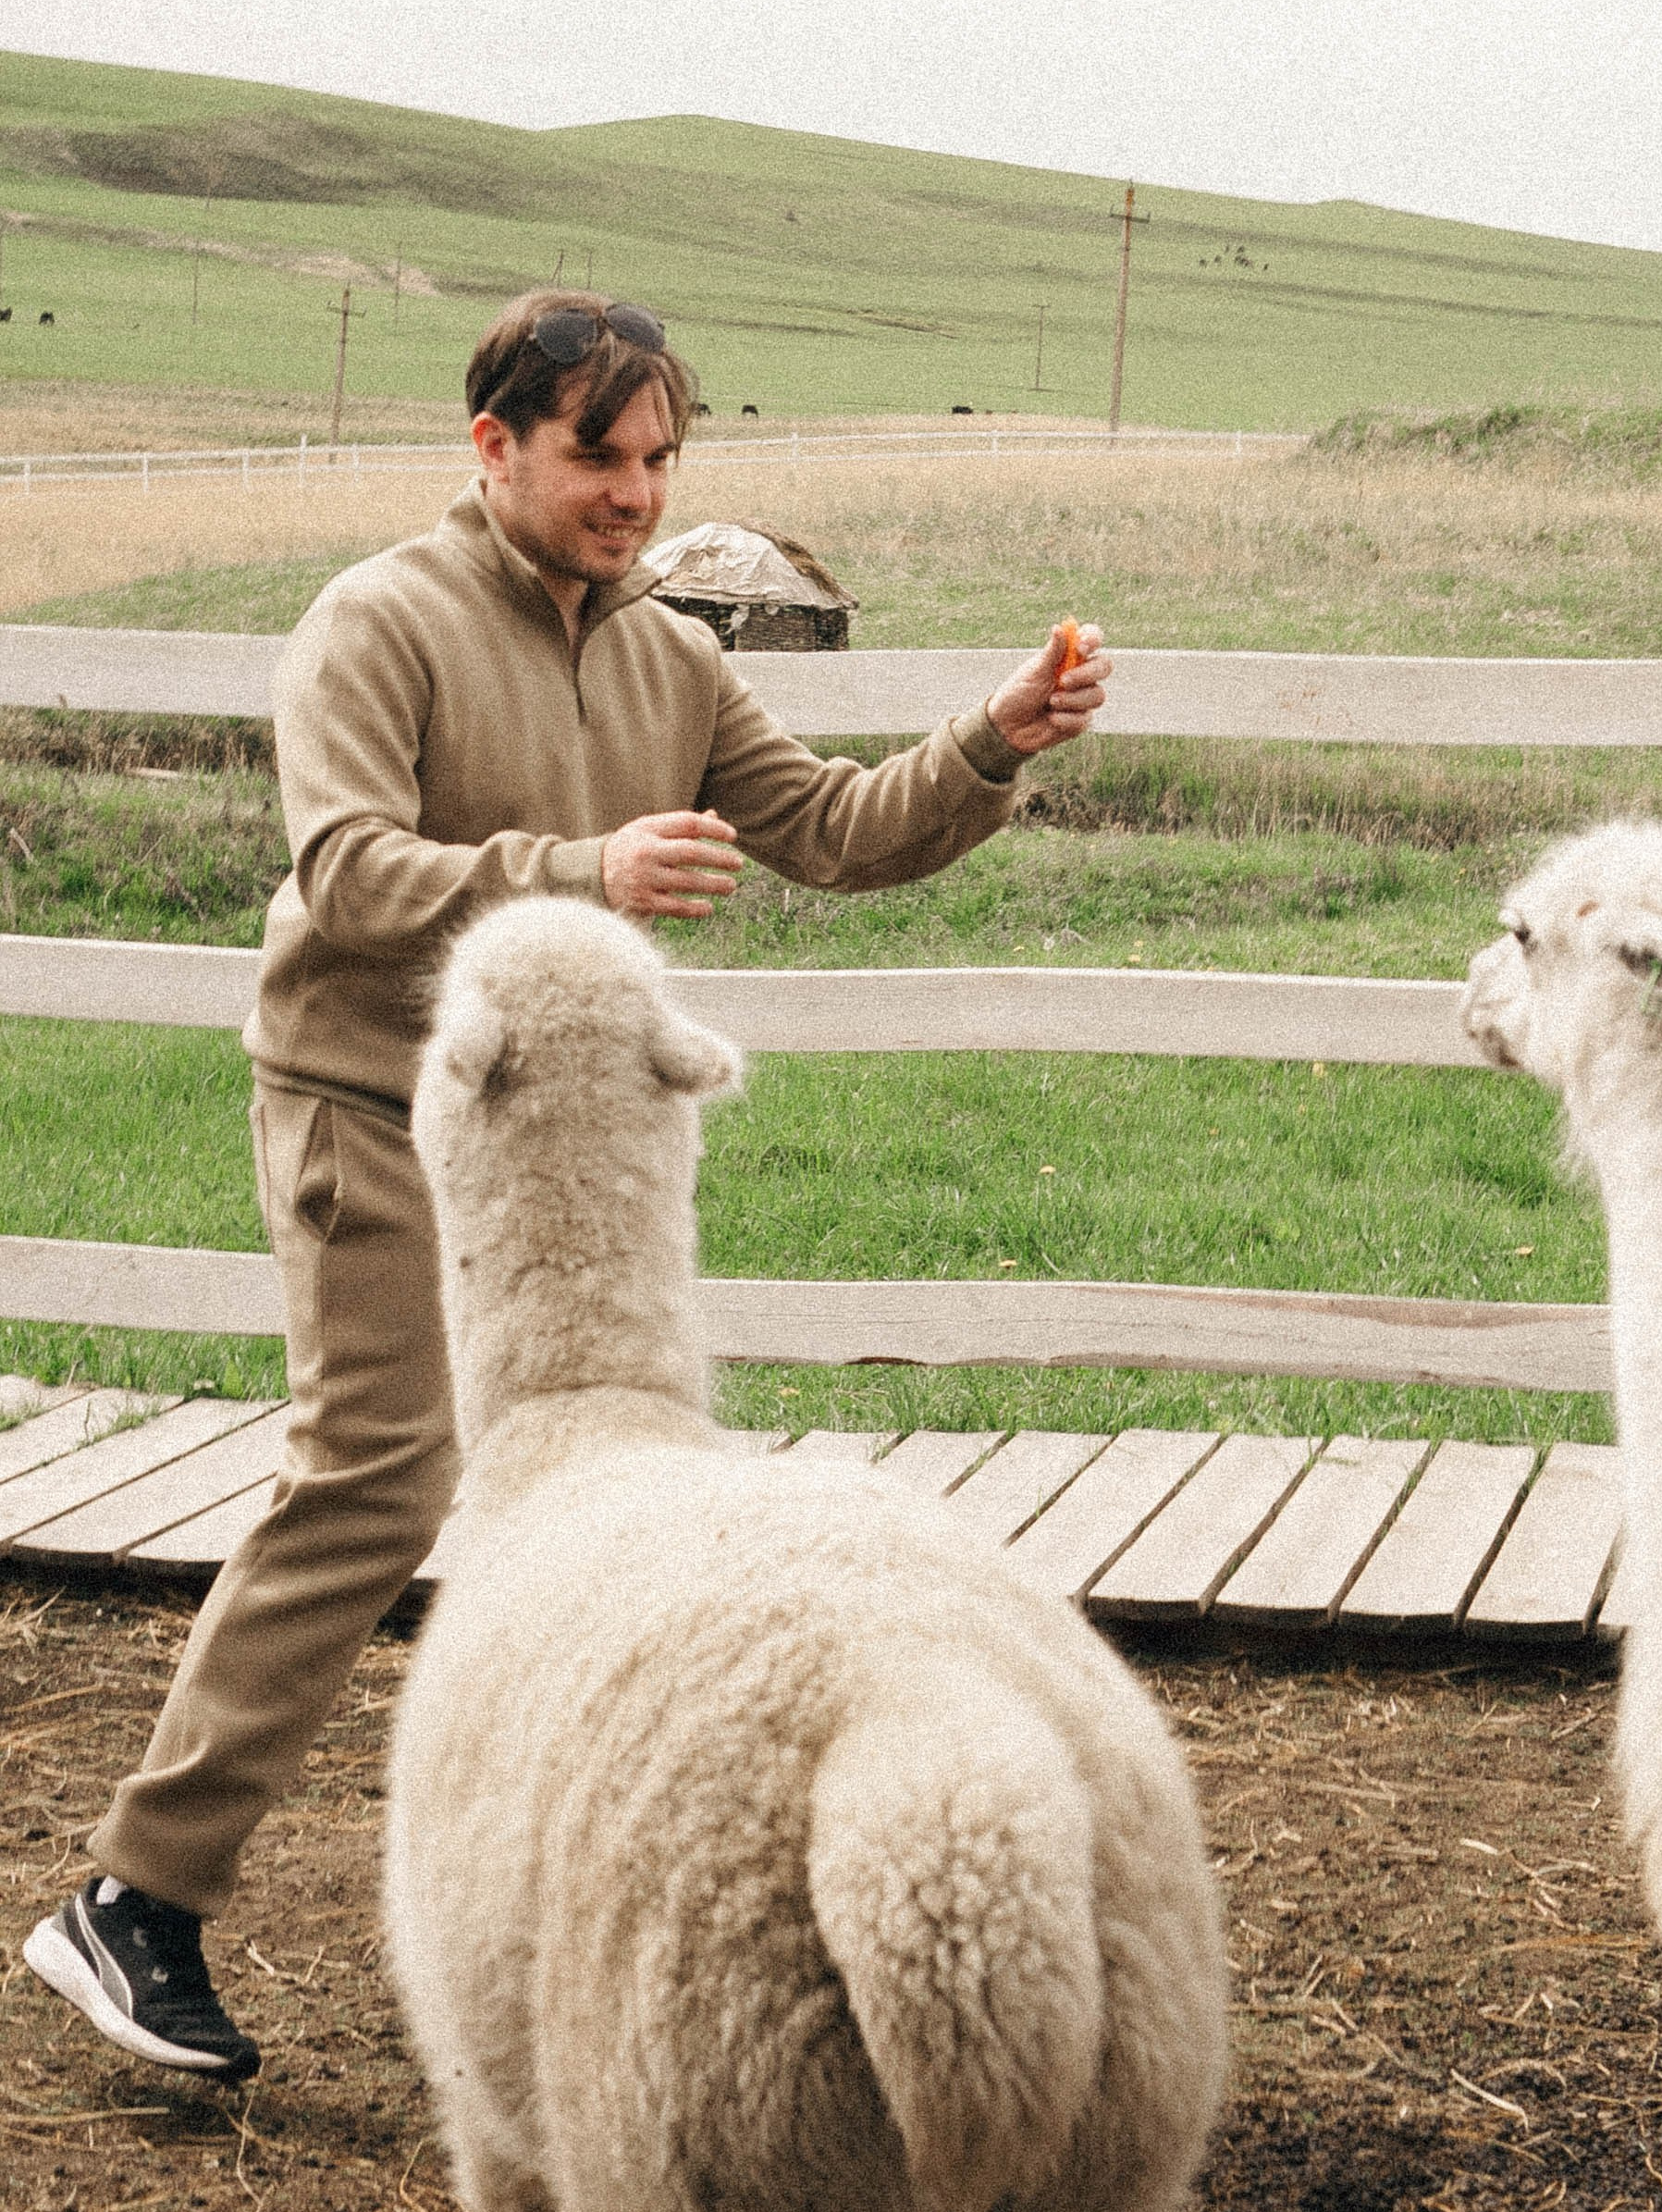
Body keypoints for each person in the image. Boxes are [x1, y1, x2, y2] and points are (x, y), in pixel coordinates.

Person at [23, 291, 1107, 2083]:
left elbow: (836, 828)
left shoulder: (671, 657)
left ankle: (551, 1905)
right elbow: (350, 871)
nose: (635, 487)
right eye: (600, 450)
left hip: (553, 1150)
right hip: (369, 1103)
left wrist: (994, 737)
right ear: (494, 444)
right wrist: (582, 865)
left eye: (661, 453)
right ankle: (135, 1895)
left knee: (580, 1486)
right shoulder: (376, 622)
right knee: (381, 1475)